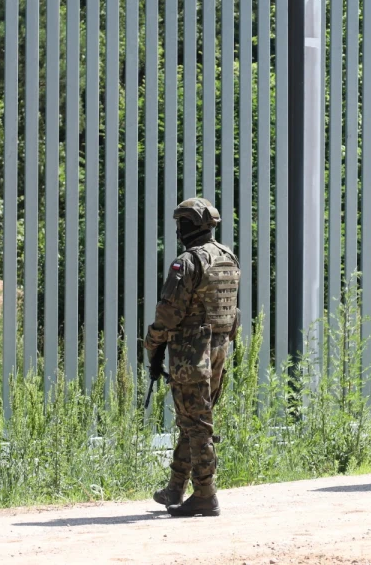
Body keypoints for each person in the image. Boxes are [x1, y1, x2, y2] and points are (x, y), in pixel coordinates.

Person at [146, 198, 241, 517]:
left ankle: (205, 494)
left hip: (191, 353)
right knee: (193, 421)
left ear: (191, 226)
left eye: (181, 223)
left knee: (197, 425)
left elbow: (169, 313)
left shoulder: (188, 262)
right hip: (218, 350)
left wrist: (152, 343)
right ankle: (176, 488)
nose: (178, 230)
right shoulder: (227, 256)